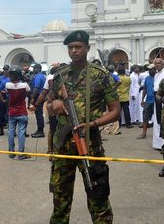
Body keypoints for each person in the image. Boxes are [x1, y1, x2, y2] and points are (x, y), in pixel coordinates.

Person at [48, 30, 120, 223]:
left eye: (78, 47)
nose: (74, 51)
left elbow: (115, 110)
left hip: (90, 143)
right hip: (63, 146)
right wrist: (53, 105)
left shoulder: (100, 75)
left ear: (87, 48)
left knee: (98, 195)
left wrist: (92, 124)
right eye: (70, 48)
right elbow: (48, 106)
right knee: (60, 199)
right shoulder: (59, 77)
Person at [6, 67, 31, 160]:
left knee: (11, 132)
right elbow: (29, 93)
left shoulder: (8, 85)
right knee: (21, 132)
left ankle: (11, 152)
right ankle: (21, 153)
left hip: (12, 112)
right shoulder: (25, 85)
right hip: (21, 112)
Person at [153, 57, 164, 149]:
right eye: (155, 63)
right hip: (157, 98)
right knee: (158, 120)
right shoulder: (156, 74)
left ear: (162, 64)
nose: (157, 65)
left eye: (159, 63)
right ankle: (158, 144)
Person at [139, 64, 156, 139]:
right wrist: (142, 99)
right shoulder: (147, 78)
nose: (150, 71)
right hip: (148, 100)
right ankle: (144, 133)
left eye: (151, 69)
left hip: (156, 101)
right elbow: (145, 89)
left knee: (157, 118)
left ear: (155, 70)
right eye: (149, 69)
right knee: (145, 117)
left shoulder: (158, 77)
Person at [30, 64, 47, 138]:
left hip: (38, 96)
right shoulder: (43, 76)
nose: (33, 70)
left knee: (38, 114)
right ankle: (39, 130)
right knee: (39, 113)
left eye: (34, 68)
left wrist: (32, 98)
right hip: (41, 96)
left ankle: (40, 131)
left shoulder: (38, 76)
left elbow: (36, 88)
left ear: (37, 69)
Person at [0, 65, 11, 136]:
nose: (5, 71)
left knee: (10, 114)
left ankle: (11, 130)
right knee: (0, 114)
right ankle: (1, 130)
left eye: (7, 69)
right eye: (4, 69)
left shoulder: (11, 78)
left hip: (9, 98)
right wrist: (3, 92)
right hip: (1, 97)